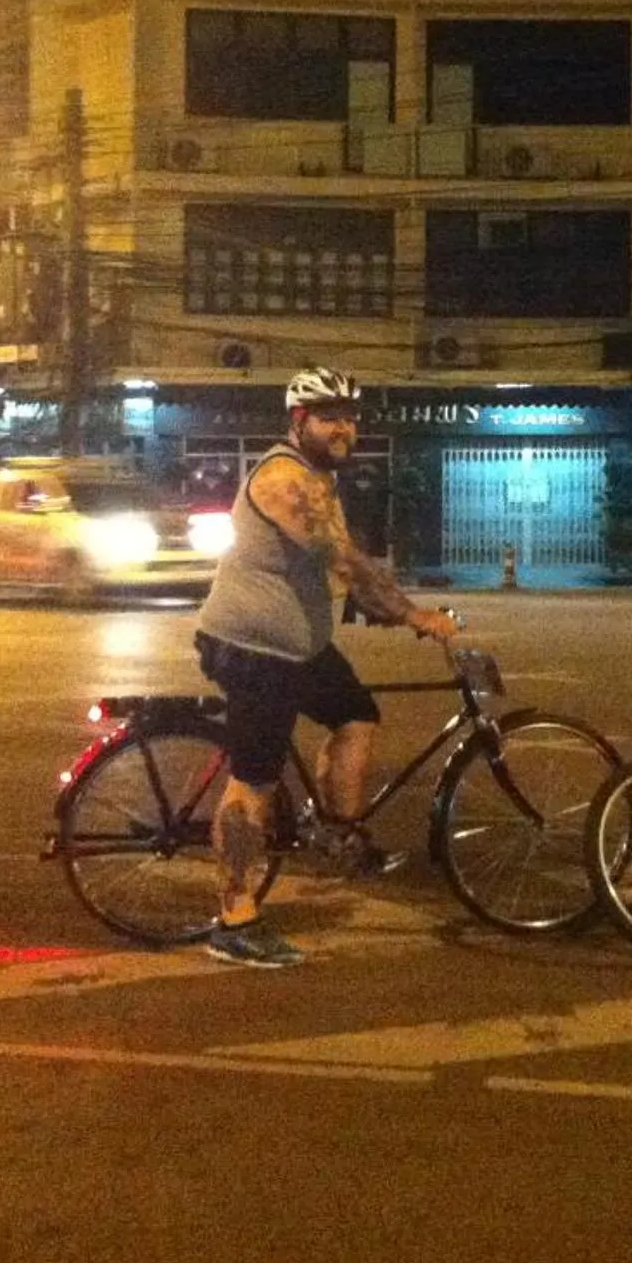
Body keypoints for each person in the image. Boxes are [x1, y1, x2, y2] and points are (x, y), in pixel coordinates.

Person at [192, 366, 456, 968]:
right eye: (329, 418)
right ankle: (234, 921)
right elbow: (343, 558)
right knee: (254, 781)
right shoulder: (285, 479)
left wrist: (379, 607)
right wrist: (411, 613)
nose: (344, 429)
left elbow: (334, 570)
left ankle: (337, 832)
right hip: (254, 649)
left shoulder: (318, 478)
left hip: (301, 647)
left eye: (350, 418)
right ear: (299, 421)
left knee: (356, 714)